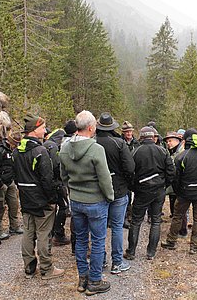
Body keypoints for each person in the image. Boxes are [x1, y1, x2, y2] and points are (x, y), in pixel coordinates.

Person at [59, 110, 114, 296]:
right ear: (91, 127)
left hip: (76, 201)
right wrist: (110, 197)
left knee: (81, 240)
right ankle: (95, 281)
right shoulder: (96, 149)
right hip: (96, 201)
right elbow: (105, 179)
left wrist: (74, 189)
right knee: (98, 242)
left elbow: (63, 176)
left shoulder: (65, 148)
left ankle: (83, 279)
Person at [13, 114, 64, 280]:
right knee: (43, 234)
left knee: (28, 233)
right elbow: (47, 179)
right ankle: (47, 269)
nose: (45, 131)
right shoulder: (40, 151)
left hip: (26, 199)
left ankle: (28, 268)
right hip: (42, 201)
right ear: (34, 130)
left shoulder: (16, 150)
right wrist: (52, 199)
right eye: (42, 128)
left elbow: (15, 176)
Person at [161, 128, 197, 254]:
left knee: (177, 217)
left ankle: (171, 241)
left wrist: (179, 192)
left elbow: (176, 178)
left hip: (184, 193)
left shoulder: (181, 157)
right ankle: (194, 247)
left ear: (185, 141)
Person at [124, 126, 175, 260]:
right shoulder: (163, 151)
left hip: (142, 191)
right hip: (158, 191)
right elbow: (171, 171)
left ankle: (131, 252)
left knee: (136, 221)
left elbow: (129, 172)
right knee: (156, 221)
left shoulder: (136, 152)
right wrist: (164, 185)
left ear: (141, 137)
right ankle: (151, 253)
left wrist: (134, 187)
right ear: (153, 137)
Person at [96, 113, 135, 274]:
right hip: (118, 190)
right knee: (117, 227)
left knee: (99, 228)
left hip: (98, 191)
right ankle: (117, 262)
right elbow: (130, 168)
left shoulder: (93, 143)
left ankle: (101, 260)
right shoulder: (119, 144)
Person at [0, 134, 23, 240]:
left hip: (11, 182)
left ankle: (14, 226)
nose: (17, 146)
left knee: (14, 205)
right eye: (16, 144)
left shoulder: (12, 151)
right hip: (1, 184)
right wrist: (0, 184)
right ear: (11, 142)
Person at [43, 127, 71, 246]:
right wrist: (62, 179)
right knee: (63, 207)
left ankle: (50, 234)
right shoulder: (53, 147)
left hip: (47, 182)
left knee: (52, 208)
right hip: (55, 183)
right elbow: (56, 165)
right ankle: (58, 234)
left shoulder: (45, 144)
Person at [163, 131, 188, 237]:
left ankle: (182, 231)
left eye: (170, 141)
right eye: (167, 141)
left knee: (180, 209)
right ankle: (179, 229)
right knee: (175, 207)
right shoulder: (173, 152)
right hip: (175, 186)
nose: (168, 143)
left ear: (178, 141)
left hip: (180, 186)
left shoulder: (181, 153)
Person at [62, 119, 77, 254]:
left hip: (69, 183)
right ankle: (77, 246)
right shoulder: (73, 144)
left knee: (74, 214)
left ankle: (74, 246)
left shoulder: (62, 144)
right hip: (76, 184)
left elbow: (63, 171)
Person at [121, 120, 139, 229]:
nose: (129, 133)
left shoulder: (136, 143)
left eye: (130, 131)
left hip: (135, 172)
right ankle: (124, 216)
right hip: (124, 173)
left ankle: (131, 215)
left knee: (135, 195)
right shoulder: (120, 142)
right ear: (123, 132)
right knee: (125, 195)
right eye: (126, 132)